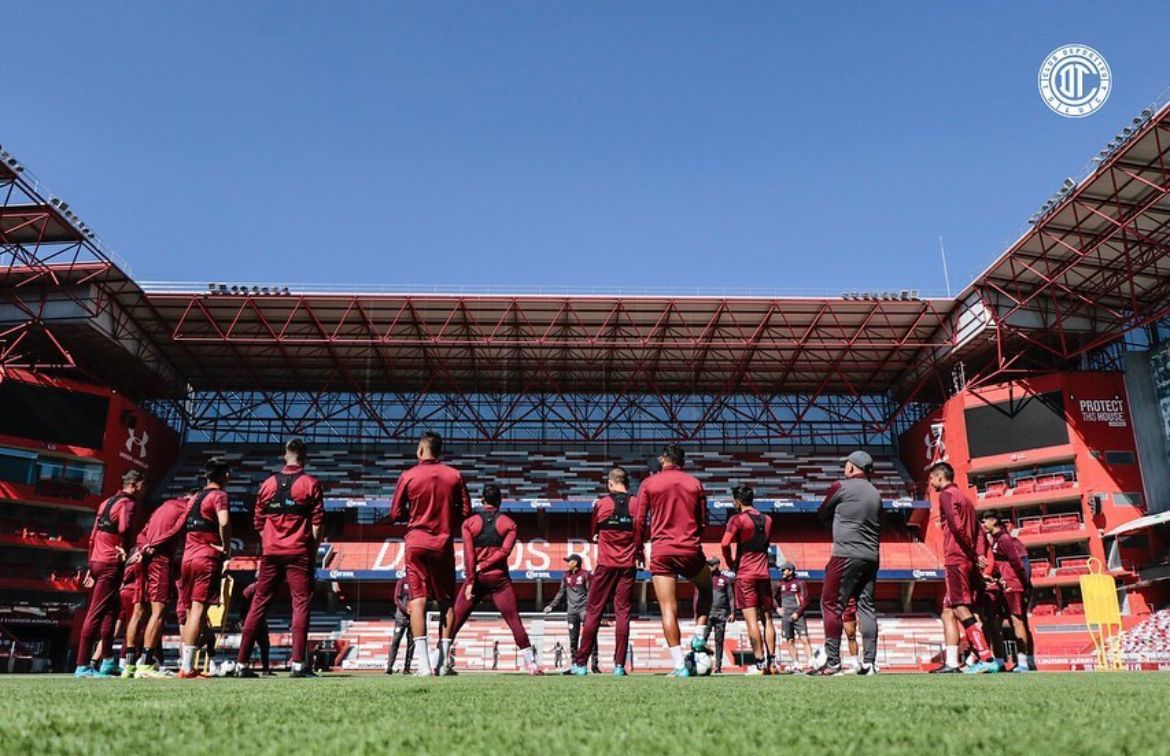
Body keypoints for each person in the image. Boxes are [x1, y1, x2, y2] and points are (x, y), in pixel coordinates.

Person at [235, 439, 324, 678]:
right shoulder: (310, 483)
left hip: (271, 553)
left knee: (258, 604)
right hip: (299, 552)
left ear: (285, 455)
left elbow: (258, 522)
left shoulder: (267, 484)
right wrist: (311, 550)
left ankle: (241, 664)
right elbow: (317, 525)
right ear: (304, 457)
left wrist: (271, 542)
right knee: (301, 604)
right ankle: (297, 665)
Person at [389, 430, 473, 676]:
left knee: (418, 600)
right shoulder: (454, 475)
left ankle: (424, 665)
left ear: (421, 450)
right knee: (446, 600)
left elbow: (395, 513)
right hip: (443, 543)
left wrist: (414, 515)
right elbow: (467, 512)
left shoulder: (408, 475)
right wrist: (446, 517)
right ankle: (443, 663)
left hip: (415, 543)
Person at [449, 484, 542, 674]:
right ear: (500, 501)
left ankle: (437, 661)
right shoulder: (509, 524)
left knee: (456, 620)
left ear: (482, 500)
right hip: (499, 580)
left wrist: (472, 579)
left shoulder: (469, 523)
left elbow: (468, 555)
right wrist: (483, 567)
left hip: (476, 579)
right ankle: (531, 665)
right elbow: (505, 552)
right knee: (514, 620)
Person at [639, 444, 714, 677]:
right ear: (682, 461)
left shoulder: (649, 483)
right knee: (707, 588)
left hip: (661, 551)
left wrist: (639, 550)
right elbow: (703, 522)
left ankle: (680, 665)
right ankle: (699, 637)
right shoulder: (694, 483)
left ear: (663, 459)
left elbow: (639, 522)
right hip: (689, 548)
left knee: (667, 609)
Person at [811, 450, 881, 676]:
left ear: (851, 468)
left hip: (846, 553)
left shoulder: (841, 486)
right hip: (871, 555)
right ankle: (870, 663)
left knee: (830, 604)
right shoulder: (876, 493)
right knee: (867, 606)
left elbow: (822, 512)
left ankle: (833, 663)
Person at [929, 461, 1000, 674]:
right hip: (966, 558)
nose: (931, 483)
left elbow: (957, 527)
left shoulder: (947, 496)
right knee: (948, 611)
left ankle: (985, 656)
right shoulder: (965, 498)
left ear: (940, 477)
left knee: (959, 606)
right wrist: (977, 555)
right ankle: (952, 662)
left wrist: (972, 553)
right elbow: (978, 532)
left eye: (932, 478)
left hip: (957, 557)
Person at [571, 466, 642, 676]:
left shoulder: (601, 504)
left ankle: (581, 665)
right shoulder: (637, 504)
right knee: (623, 614)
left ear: (610, 484)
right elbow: (641, 534)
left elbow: (593, 535)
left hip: (605, 565)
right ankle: (619, 666)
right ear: (627, 483)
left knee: (594, 612)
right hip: (627, 567)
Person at [75, 470, 145, 678]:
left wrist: (90, 565)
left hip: (97, 559)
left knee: (111, 612)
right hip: (110, 563)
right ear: (136, 485)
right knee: (96, 613)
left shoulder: (105, 503)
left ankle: (106, 661)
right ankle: (82, 665)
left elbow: (93, 536)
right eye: (144, 485)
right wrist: (125, 548)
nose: (144, 490)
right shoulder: (128, 504)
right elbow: (124, 528)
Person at [134, 487, 197, 678]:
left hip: (147, 559)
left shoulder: (163, 506)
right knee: (158, 612)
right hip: (160, 560)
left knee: (141, 611)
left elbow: (142, 533)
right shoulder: (186, 508)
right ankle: (145, 665)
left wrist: (144, 546)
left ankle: (134, 662)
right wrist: (152, 546)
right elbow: (175, 530)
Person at [178, 458, 233, 679]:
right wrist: (226, 547)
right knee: (199, 610)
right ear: (224, 475)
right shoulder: (220, 496)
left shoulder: (194, 498)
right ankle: (188, 666)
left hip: (187, 556)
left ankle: (187, 664)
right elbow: (224, 521)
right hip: (206, 556)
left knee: (191, 611)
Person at [720, 484, 775, 675]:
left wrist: (730, 562)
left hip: (746, 574)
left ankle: (759, 664)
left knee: (751, 620)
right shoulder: (768, 520)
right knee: (767, 619)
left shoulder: (737, 519)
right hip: (764, 574)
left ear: (737, 501)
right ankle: (772, 663)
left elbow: (725, 543)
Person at [980, 510, 1034, 672]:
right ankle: (1000, 661)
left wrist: (1024, 585)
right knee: (994, 621)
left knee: (1017, 620)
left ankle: (1024, 662)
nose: (983, 525)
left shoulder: (1005, 540)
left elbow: (1019, 563)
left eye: (985, 521)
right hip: (1002, 586)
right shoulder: (995, 541)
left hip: (1013, 585)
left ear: (994, 521)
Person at [543, 554, 598, 673]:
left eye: (569, 561)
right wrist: (551, 606)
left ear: (576, 562)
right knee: (573, 639)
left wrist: (591, 609)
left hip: (584, 610)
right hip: (572, 612)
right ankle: (574, 664)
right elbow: (561, 592)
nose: (567, 563)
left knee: (590, 635)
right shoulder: (565, 576)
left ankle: (594, 664)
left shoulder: (585, 575)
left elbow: (592, 592)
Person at [774, 561, 813, 672]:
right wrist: (777, 608)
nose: (782, 572)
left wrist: (798, 612)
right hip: (786, 616)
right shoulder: (779, 584)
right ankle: (796, 664)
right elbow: (772, 598)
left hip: (798, 615)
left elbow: (806, 600)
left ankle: (811, 662)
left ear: (790, 571)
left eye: (784, 570)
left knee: (804, 639)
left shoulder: (800, 582)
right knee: (789, 641)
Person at [702, 557, 734, 673]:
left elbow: (731, 597)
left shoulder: (725, 579)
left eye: (711, 565)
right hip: (707, 613)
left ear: (717, 565)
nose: (709, 567)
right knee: (702, 639)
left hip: (721, 613)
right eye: (708, 565)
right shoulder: (705, 579)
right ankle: (701, 662)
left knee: (719, 640)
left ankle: (718, 666)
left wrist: (732, 612)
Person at [237, 570, 272, 675]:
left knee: (265, 646)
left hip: (261, 621)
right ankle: (243, 666)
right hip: (251, 621)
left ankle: (265, 669)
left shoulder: (263, 589)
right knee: (248, 644)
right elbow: (243, 607)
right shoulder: (250, 590)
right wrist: (242, 621)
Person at [385, 572, 415, 674]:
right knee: (396, 641)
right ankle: (389, 667)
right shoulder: (402, 581)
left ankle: (407, 668)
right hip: (401, 617)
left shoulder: (417, 582)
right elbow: (397, 599)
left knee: (411, 643)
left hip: (414, 618)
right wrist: (406, 609)